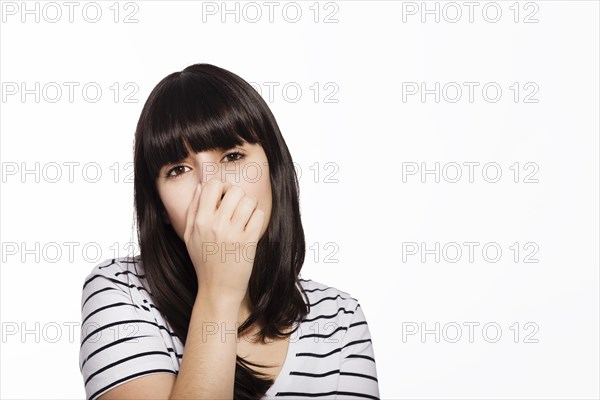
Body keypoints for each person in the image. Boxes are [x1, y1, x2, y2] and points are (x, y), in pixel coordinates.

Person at [78, 63, 380, 400]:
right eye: (178, 169)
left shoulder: (339, 319)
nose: (212, 186)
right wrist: (219, 292)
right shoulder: (122, 291)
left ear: (273, 172)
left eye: (233, 156)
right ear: (160, 205)